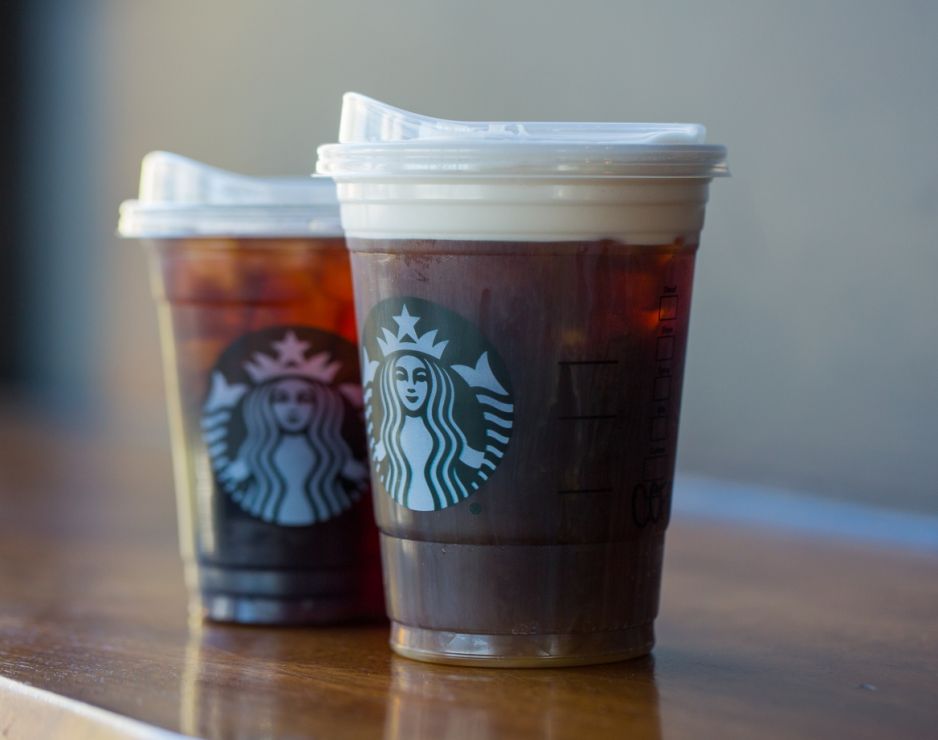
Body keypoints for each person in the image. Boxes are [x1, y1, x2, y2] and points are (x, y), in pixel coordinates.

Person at [221, 376, 367, 525]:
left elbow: (361, 472)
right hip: (251, 536)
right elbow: (230, 476)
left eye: (304, 399)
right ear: (266, 407)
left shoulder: (332, 453)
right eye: (282, 399)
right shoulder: (255, 454)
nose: (293, 407)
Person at [373, 352, 484, 511]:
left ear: (433, 384)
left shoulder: (448, 435)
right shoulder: (389, 436)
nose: (411, 386)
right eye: (401, 377)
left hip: (456, 512)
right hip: (401, 519)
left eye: (420, 378)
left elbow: (478, 461)